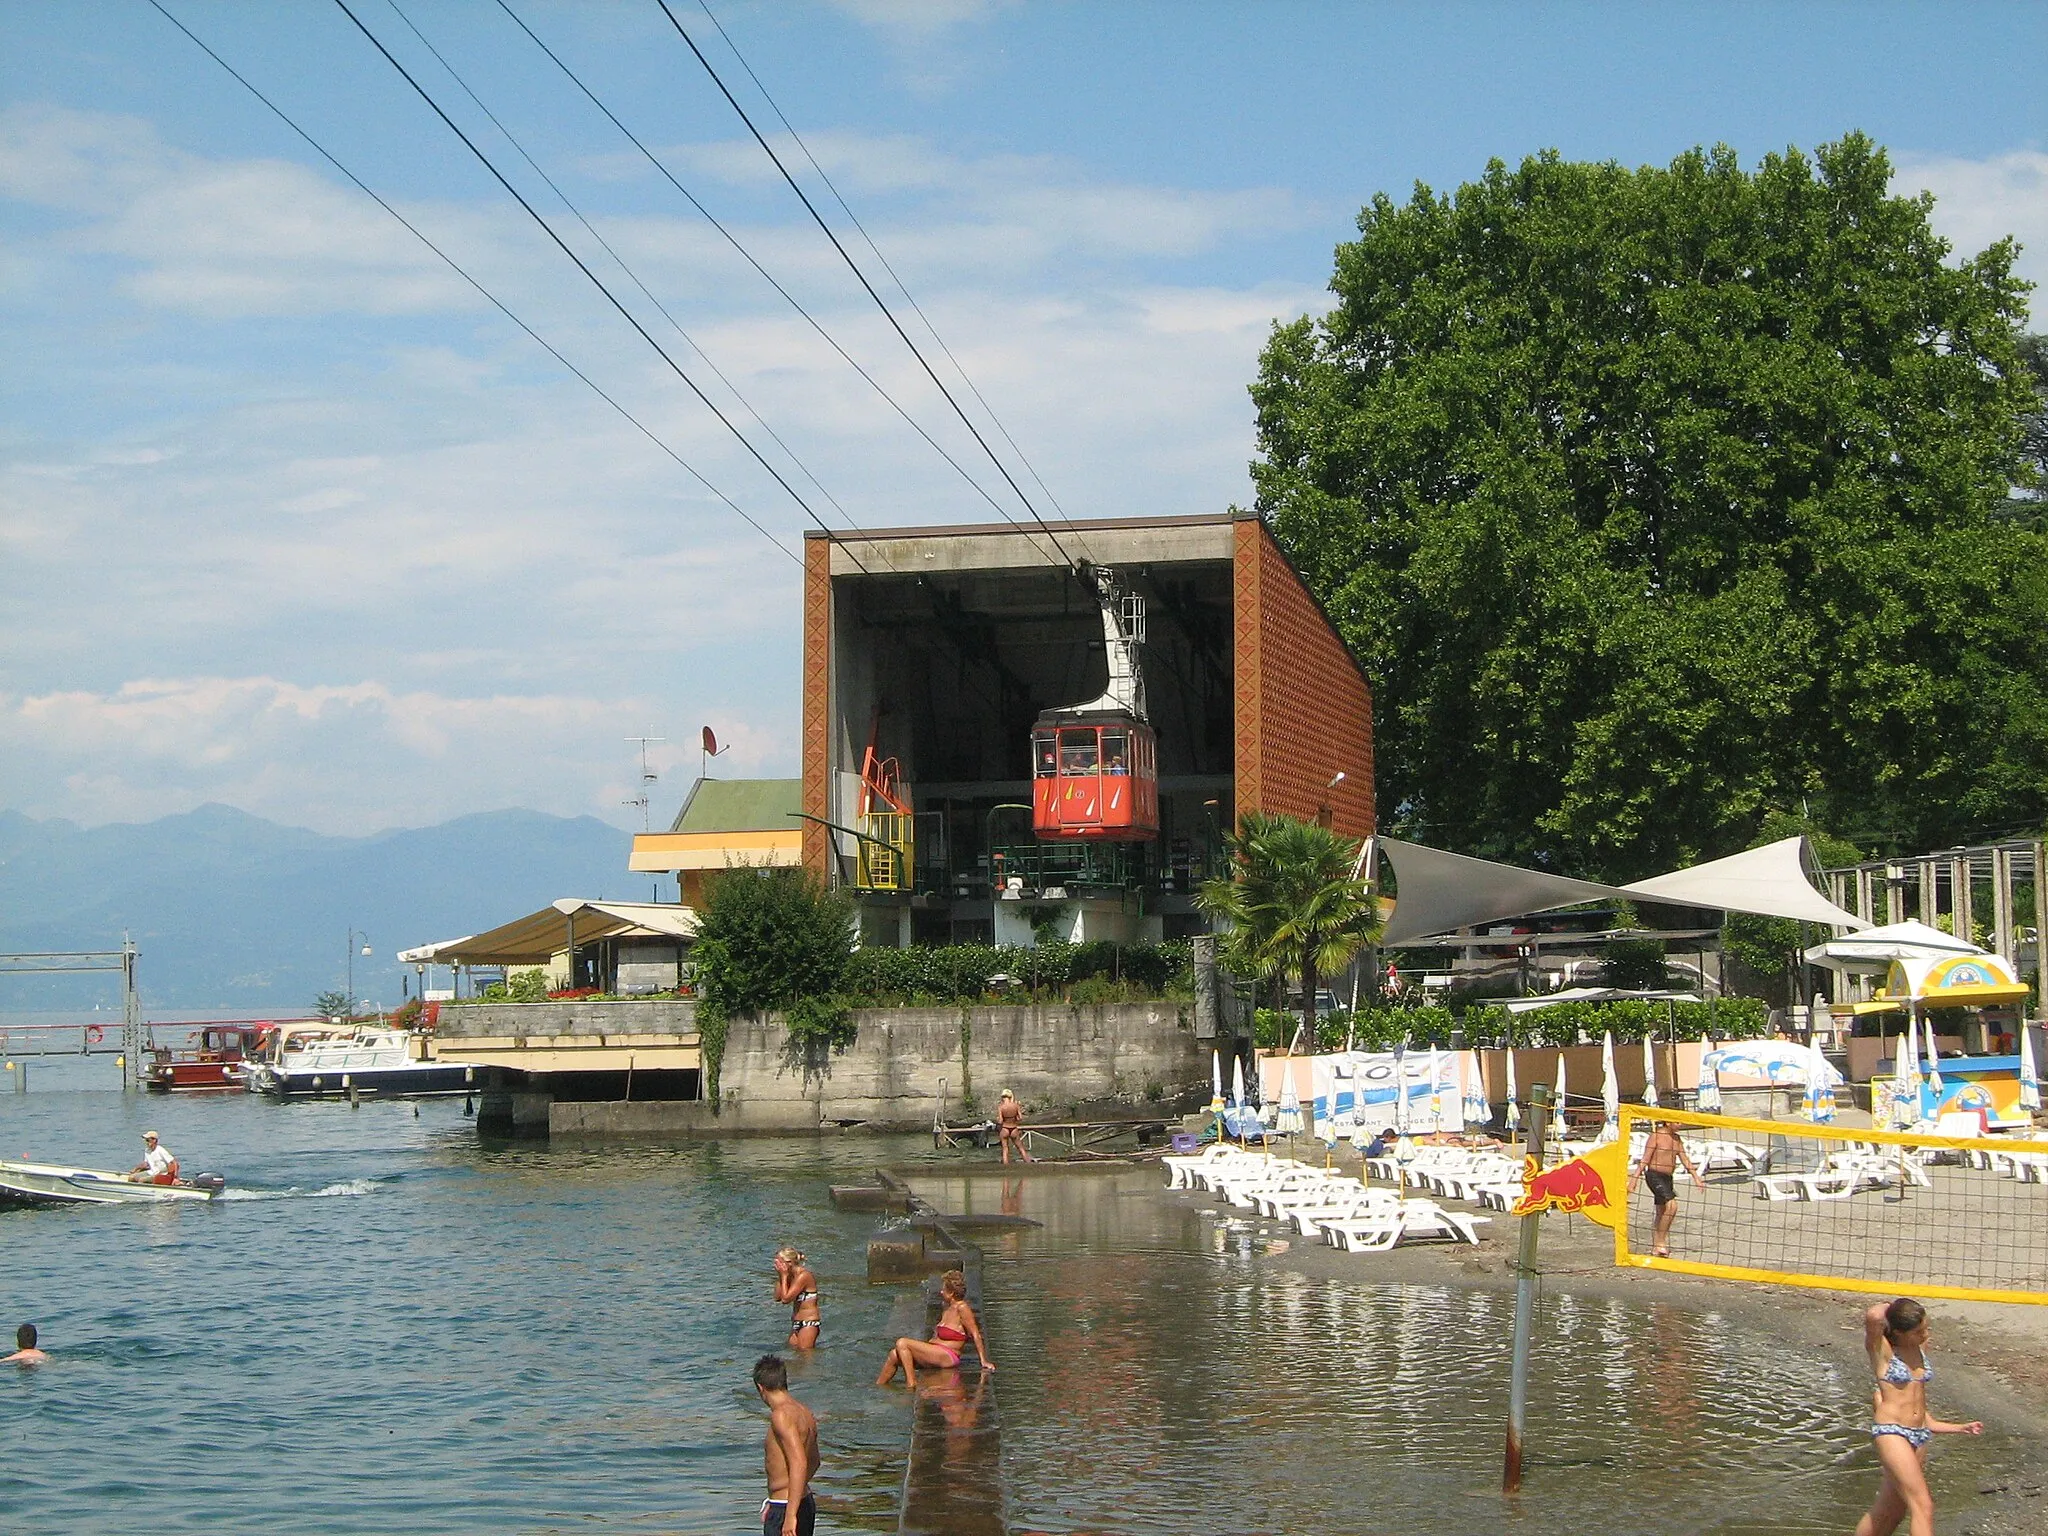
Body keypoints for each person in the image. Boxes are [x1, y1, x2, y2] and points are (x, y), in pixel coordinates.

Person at [1853, 1298, 1981, 1536]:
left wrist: (1960, 1428)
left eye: (1925, 1328)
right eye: (1918, 1331)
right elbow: (1873, 1315)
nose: (1925, 1334)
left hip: (1919, 1434)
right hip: (1893, 1432)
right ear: (1899, 1332)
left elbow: (1922, 1413)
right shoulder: (1883, 1353)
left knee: (1891, 1511)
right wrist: (1896, 1307)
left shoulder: (1920, 1350)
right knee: (1923, 1506)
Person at [875, 1269, 994, 1389]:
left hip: (949, 1355)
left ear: (951, 1292)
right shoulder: (947, 1307)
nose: (941, 1292)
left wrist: (983, 1361)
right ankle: (879, 1387)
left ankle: (911, 1383)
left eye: (944, 1289)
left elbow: (975, 1334)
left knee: (902, 1342)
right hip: (936, 1351)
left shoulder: (962, 1308)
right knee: (894, 1355)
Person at [754, 1355, 819, 1536]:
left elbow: (799, 1462)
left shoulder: (780, 1415)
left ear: (761, 1388)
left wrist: (790, 1514)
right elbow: (815, 1460)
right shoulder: (804, 1412)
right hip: (802, 1502)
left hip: (786, 1509)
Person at [1628, 1120, 1704, 1258]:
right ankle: (1661, 1243)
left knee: (1662, 1211)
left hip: (1668, 1177)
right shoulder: (1656, 1136)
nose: (1681, 1124)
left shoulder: (1676, 1139)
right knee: (1672, 1207)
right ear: (1668, 1122)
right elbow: (1645, 1159)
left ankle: (1657, 1245)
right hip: (1654, 1175)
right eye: (1677, 1122)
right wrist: (1634, 1179)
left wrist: (1696, 1177)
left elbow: (1684, 1159)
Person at [773, 1247, 821, 1351]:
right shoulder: (790, 1276)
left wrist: (784, 1276)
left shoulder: (804, 1276)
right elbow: (777, 1297)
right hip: (795, 1322)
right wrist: (781, 1276)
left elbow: (786, 1299)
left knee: (805, 1355)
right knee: (793, 1356)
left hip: (808, 1322)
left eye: (780, 1263)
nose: (777, 1266)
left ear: (789, 1262)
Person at [996, 1089, 1032, 1166]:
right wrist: (1014, 1119)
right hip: (1013, 1128)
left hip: (1005, 1128)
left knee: (1005, 1148)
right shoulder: (1015, 1105)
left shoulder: (1001, 1107)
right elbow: (1020, 1118)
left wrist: (998, 1121)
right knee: (1020, 1147)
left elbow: (1000, 1121)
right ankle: (1028, 1163)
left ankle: (1006, 1165)